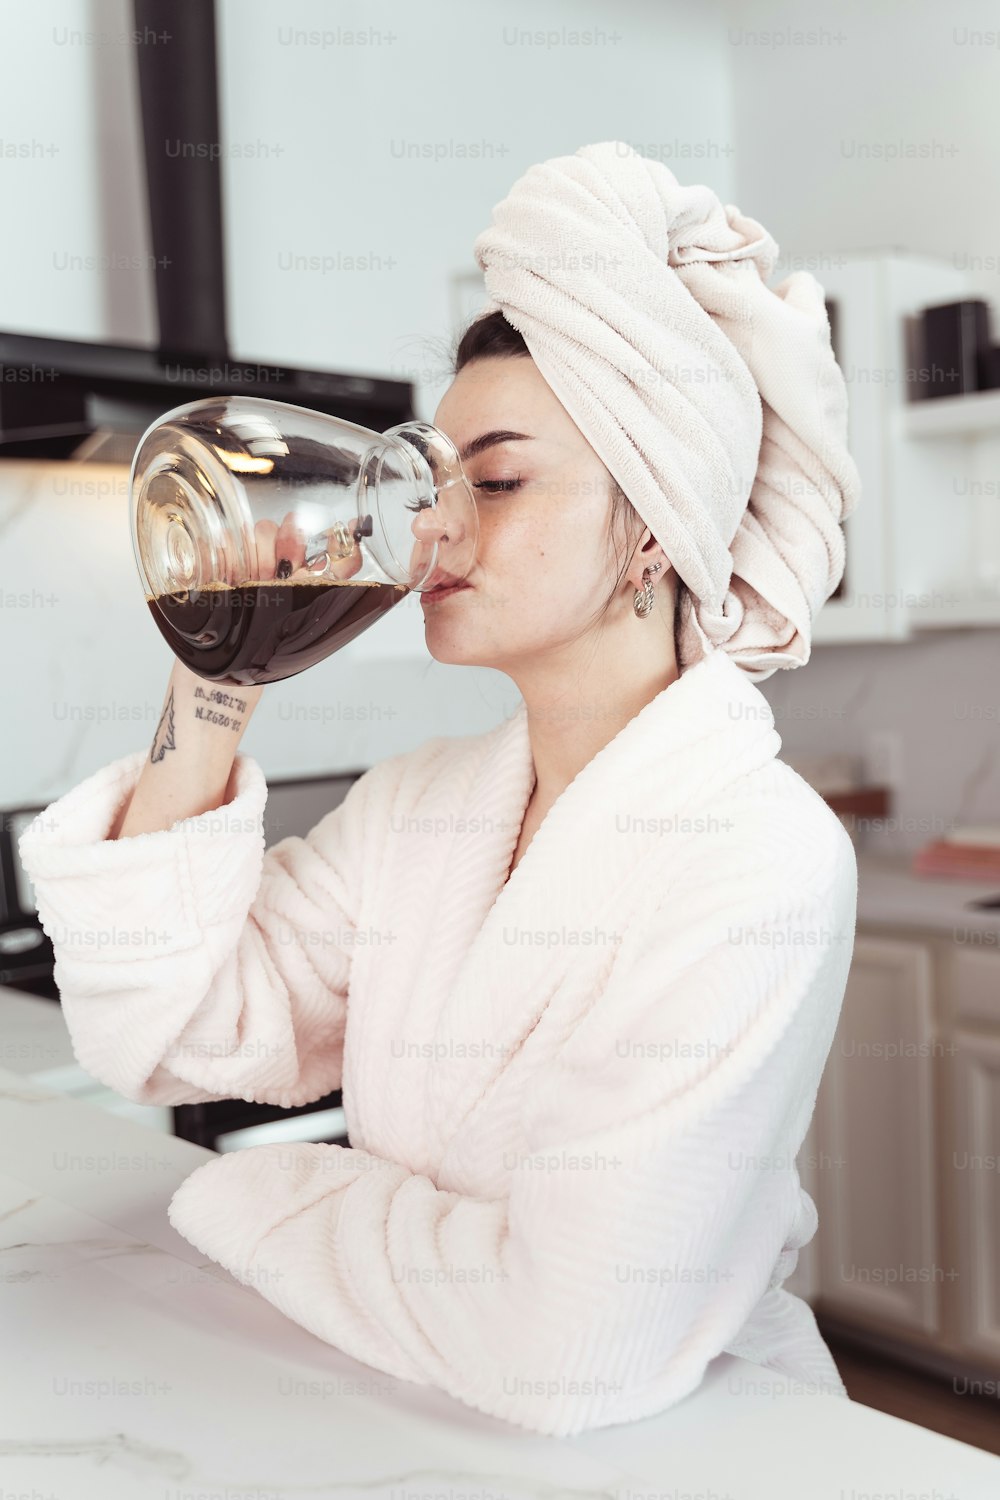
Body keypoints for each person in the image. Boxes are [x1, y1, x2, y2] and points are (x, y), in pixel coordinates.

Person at [18, 142, 861, 1438]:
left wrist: (271, 1200)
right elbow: (168, 1035)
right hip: (411, 1403)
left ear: (651, 528)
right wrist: (221, 668)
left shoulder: (757, 858)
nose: (437, 527)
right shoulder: (422, 805)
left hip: (685, 1440)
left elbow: (572, 1341)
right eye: (433, 476)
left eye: (501, 479)